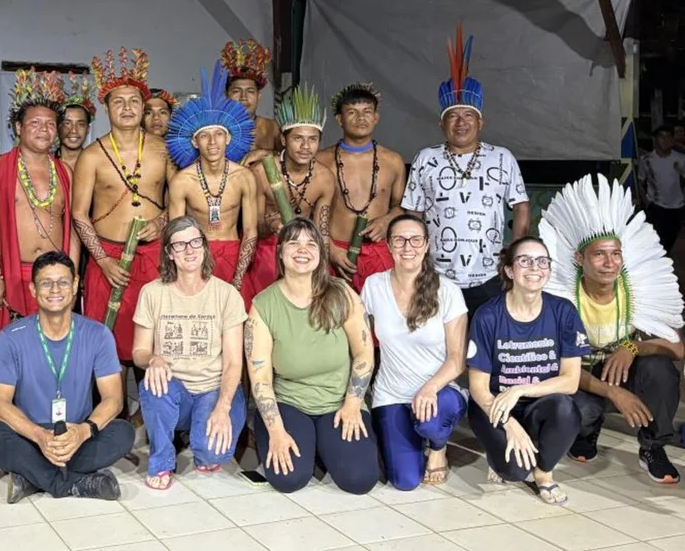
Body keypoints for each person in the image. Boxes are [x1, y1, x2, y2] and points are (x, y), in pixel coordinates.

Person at [540, 175, 683, 483]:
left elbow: (677, 347)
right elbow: (559, 366)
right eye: (599, 254)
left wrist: (632, 348)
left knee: (661, 369)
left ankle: (653, 447)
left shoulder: (636, 292)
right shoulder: (562, 299)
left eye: (615, 253)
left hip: (625, 373)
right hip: (581, 379)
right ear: (580, 258)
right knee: (577, 408)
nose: (609, 262)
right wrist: (613, 393)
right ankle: (587, 433)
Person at [0, 251, 135, 502]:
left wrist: (84, 431)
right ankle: (75, 484)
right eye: (45, 283)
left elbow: (113, 399)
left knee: (123, 433)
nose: (54, 289)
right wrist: (39, 436)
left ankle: (31, 477)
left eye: (62, 282)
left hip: (78, 435)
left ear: (74, 286)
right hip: (29, 436)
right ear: (32, 289)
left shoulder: (98, 334)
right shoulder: (11, 337)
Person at [247, 217, 379, 495]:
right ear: (281, 252)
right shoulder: (263, 305)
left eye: (310, 243)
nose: (302, 250)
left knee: (359, 480)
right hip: (289, 403)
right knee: (289, 479)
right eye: (293, 243)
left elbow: (364, 352)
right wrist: (276, 431)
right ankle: (309, 443)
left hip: (338, 402)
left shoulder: (342, 292)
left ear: (320, 253)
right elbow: (260, 377)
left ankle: (322, 445)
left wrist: (353, 404)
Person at [403, 26, 529, 316]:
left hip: (489, 275)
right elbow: (413, 213)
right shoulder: (425, 158)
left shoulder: (502, 158)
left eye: (468, 115)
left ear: (480, 122)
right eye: (453, 116)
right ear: (441, 124)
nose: (461, 122)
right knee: (442, 343)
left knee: (484, 344)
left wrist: (516, 255)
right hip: (437, 275)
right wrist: (419, 260)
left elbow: (521, 206)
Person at [467, 237, 589, 506]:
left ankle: (544, 474)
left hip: (540, 403)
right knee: (514, 472)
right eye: (525, 260)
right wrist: (508, 423)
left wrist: (520, 390)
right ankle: (501, 452)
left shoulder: (563, 311)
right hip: (493, 405)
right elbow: (477, 388)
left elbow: (570, 382)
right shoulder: (488, 316)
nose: (535, 267)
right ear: (510, 270)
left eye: (542, 261)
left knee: (567, 408)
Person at [132, 217, 247, 489]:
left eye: (195, 242)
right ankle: (161, 462)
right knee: (153, 383)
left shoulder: (227, 294)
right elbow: (139, 351)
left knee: (211, 453)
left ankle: (200, 436)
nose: (189, 250)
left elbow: (233, 363)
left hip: (213, 389)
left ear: (205, 247)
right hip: (174, 389)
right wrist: (153, 359)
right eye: (180, 245)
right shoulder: (152, 293)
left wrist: (222, 407)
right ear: (170, 253)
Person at [74, 48, 173, 364]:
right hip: (109, 260)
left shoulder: (164, 150)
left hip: (154, 256)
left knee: (154, 340)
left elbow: (181, 201)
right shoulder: (92, 155)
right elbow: (78, 213)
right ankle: (112, 410)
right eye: (118, 101)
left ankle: (148, 410)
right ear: (106, 108)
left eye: (134, 101)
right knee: (108, 345)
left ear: (144, 107)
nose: (127, 107)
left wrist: (161, 222)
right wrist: (102, 261)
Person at [361, 214, 468, 489]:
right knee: (405, 481)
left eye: (415, 240)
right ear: (389, 245)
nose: (408, 247)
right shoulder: (374, 286)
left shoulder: (448, 291)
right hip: (392, 393)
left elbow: (457, 360)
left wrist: (430, 388)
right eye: (399, 240)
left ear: (427, 244)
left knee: (431, 422)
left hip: (438, 391)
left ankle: (438, 446)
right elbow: (361, 344)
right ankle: (415, 432)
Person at [0, 69, 77, 348]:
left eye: (50, 124)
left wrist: (73, 275)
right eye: (35, 123)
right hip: (12, 273)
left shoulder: (64, 171)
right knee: (15, 349)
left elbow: (74, 228)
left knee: (55, 345)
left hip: (56, 275)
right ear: (18, 128)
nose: (44, 130)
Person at [167, 64, 258, 302]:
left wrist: (239, 275)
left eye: (218, 134)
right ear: (195, 142)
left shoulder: (244, 177)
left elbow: (250, 230)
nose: (212, 142)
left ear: (228, 138)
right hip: (194, 257)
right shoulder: (182, 181)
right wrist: (186, 273)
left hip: (235, 256)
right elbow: (174, 234)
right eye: (204, 136)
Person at [316, 84, 405, 291]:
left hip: (377, 251)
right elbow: (306, 209)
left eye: (367, 112)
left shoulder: (393, 161)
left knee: (378, 318)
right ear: (339, 119)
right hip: (333, 250)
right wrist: (329, 248)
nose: (361, 118)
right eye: (352, 112)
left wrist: (387, 220)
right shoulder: (321, 160)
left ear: (376, 118)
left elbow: (401, 207)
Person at [251, 85, 335, 296]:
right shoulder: (262, 172)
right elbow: (255, 227)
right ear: (283, 140)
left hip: (306, 250)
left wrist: (321, 270)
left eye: (313, 139)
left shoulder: (324, 178)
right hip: (268, 249)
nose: (306, 146)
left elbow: (321, 232)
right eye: (298, 138)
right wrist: (271, 223)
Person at [221, 39, 280, 154]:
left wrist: (262, 153)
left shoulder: (272, 127)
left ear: (259, 96)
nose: (243, 97)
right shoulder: (216, 127)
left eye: (250, 91)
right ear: (226, 95)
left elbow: (287, 159)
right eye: (237, 91)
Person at [638, 125, 685, 254]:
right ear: (656, 139)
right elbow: (640, 181)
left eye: (668, 136)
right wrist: (646, 202)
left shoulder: (680, 159)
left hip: (677, 207)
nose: (665, 140)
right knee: (657, 240)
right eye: (661, 136)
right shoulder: (647, 160)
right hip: (657, 207)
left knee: (670, 240)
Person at [57, 73, 95, 172]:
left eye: (80, 124)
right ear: (58, 127)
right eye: (67, 123)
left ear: (88, 129)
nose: (73, 130)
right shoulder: (47, 165)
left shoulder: (96, 165)